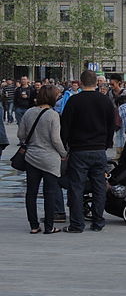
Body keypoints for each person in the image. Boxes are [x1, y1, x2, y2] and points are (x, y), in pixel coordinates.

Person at [60, 70, 117, 233]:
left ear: (81, 82)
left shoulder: (74, 101)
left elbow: (65, 126)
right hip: (99, 149)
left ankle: (77, 224)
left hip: (79, 149)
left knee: (76, 187)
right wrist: (106, 143)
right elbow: (111, 125)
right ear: (96, 83)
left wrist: (64, 147)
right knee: (99, 186)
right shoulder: (105, 101)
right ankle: (98, 221)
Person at [19, 85, 67, 234]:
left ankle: (34, 226)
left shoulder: (28, 112)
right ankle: (49, 226)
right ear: (52, 97)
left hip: (32, 157)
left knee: (31, 193)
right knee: (50, 193)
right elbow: (56, 139)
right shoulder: (53, 115)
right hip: (50, 159)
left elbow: (21, 134)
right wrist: (63, 153)